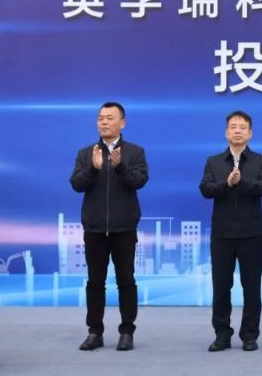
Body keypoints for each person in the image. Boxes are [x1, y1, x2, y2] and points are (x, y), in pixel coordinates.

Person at [70, 102, 148, 351]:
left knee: (126, 280)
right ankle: (95, 332)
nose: (103, 122)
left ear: (122, 123)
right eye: (100, 118)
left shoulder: (135, 152)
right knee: (95, 282)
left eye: (109, 118)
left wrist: (120, 166)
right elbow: (76, 184)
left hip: (124, 228)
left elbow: (139, 181)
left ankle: (127, 332)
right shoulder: (86, 153)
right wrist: (93, 169)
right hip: (94, 229)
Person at [200, 110, 262, 352]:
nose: (238, 130)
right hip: (222, 235)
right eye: (233, 126)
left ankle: (249, 335)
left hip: (252, 234)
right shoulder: (214, 161)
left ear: (250, 133)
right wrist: (227, 184)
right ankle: (222, 334)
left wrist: (242, 182)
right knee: (221, 287)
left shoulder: (260, 161)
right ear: (226, 133)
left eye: (242, 127)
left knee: (251, 288)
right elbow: (205, 189)